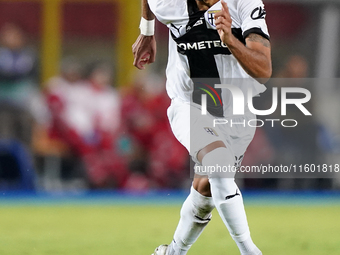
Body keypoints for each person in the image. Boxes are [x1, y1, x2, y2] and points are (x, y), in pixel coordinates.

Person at [132, 0, 271, 255]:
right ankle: (249, 251)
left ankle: (174, 251)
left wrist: (230, 38)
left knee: (206, 187)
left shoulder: (245, 4)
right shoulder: (169, 3)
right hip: (188, 103)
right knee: (218, 163)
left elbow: (263, 69)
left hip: (236, 111)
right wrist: (147, 31)